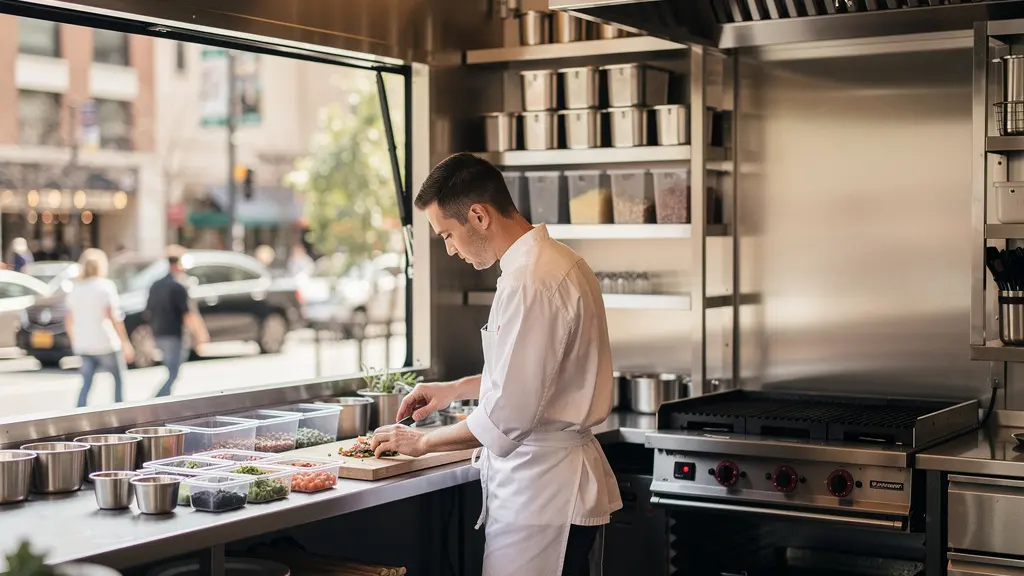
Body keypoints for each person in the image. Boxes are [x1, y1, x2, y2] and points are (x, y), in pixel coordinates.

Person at [370, 153, 621, 576]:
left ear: (479, 216)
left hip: (544, 497)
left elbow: (507, 418)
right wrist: (455, 389)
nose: (450, 249)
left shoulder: (531, 281)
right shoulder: (556, 262)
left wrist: (421, 443)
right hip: (547, 490)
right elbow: (534, 373)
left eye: (448, 234)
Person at [65, 249, 134, 408]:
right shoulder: (105, 286)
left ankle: (79, 414)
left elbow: (69, 320)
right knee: (118, 379)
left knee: (87, 383)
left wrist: (75, 340)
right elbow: (114, 317)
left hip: (84, 344)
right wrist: (125, 342)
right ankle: (120, 412)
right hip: (105, 342)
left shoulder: (75, 288)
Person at [146, 248, 208, 398]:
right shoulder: (178, 287)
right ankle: (159, 399)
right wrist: (199, 335)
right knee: (174, 372)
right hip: (174, 334)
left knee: (171, 370)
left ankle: (164, 399)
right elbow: (188, 314)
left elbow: (148, 311)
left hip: (159, 333)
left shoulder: (155, 285)